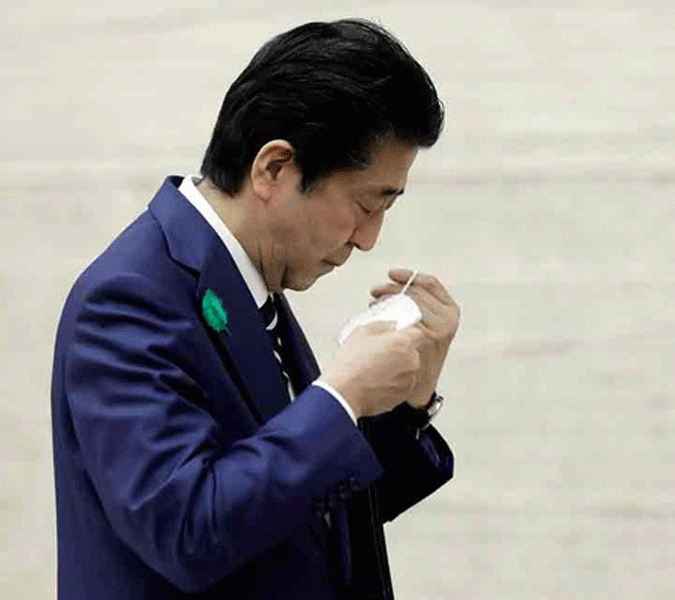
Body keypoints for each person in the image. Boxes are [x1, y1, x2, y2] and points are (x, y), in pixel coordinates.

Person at [50, 18, 460, 600]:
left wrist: (410, 398)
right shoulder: (128, 298)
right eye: (367, 204)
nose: (369, 239)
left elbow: (313, 521)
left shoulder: (247, 278)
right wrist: (342, 396)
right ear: (273, 169)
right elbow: (187, 532)